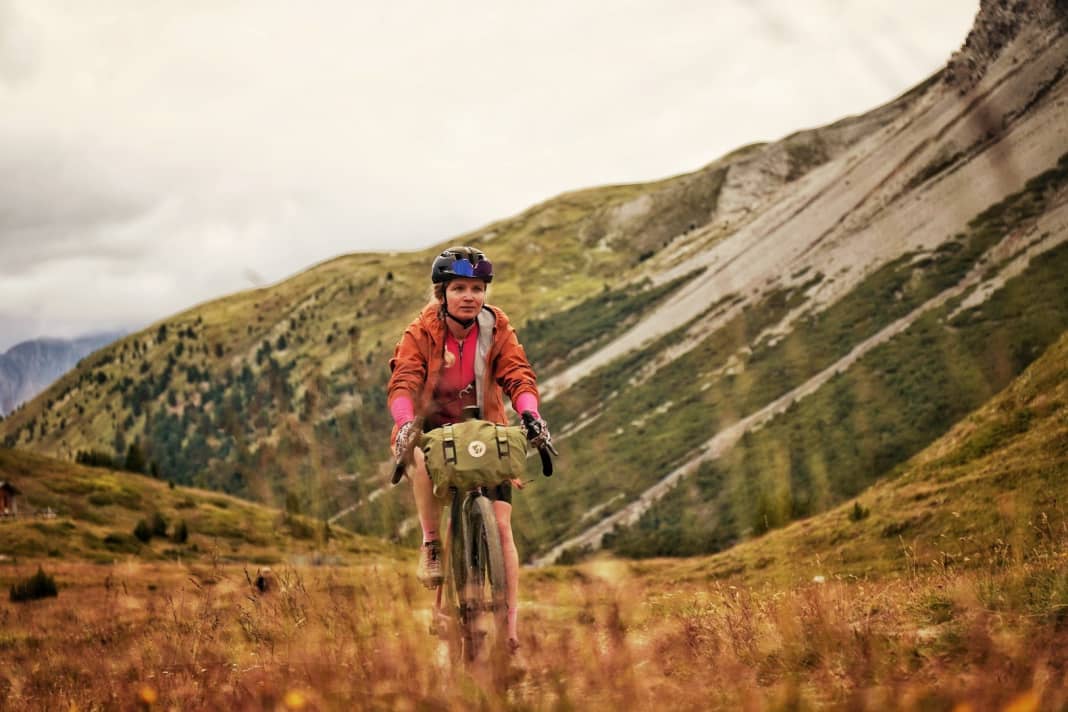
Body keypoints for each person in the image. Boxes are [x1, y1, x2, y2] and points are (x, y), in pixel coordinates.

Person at [387, 245, 551, 648]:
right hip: (432, 432)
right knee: (423, 461)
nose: (469, 296)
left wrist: (530, 414)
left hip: (484, 430)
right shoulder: (421, 331)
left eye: (477, 288)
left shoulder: (497, 327)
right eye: (459, 287)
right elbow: (403, 381)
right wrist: (406, 424)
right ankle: (431, 543)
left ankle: (510, 633)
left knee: (501, 527)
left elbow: (518, 373)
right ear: (441, 293)